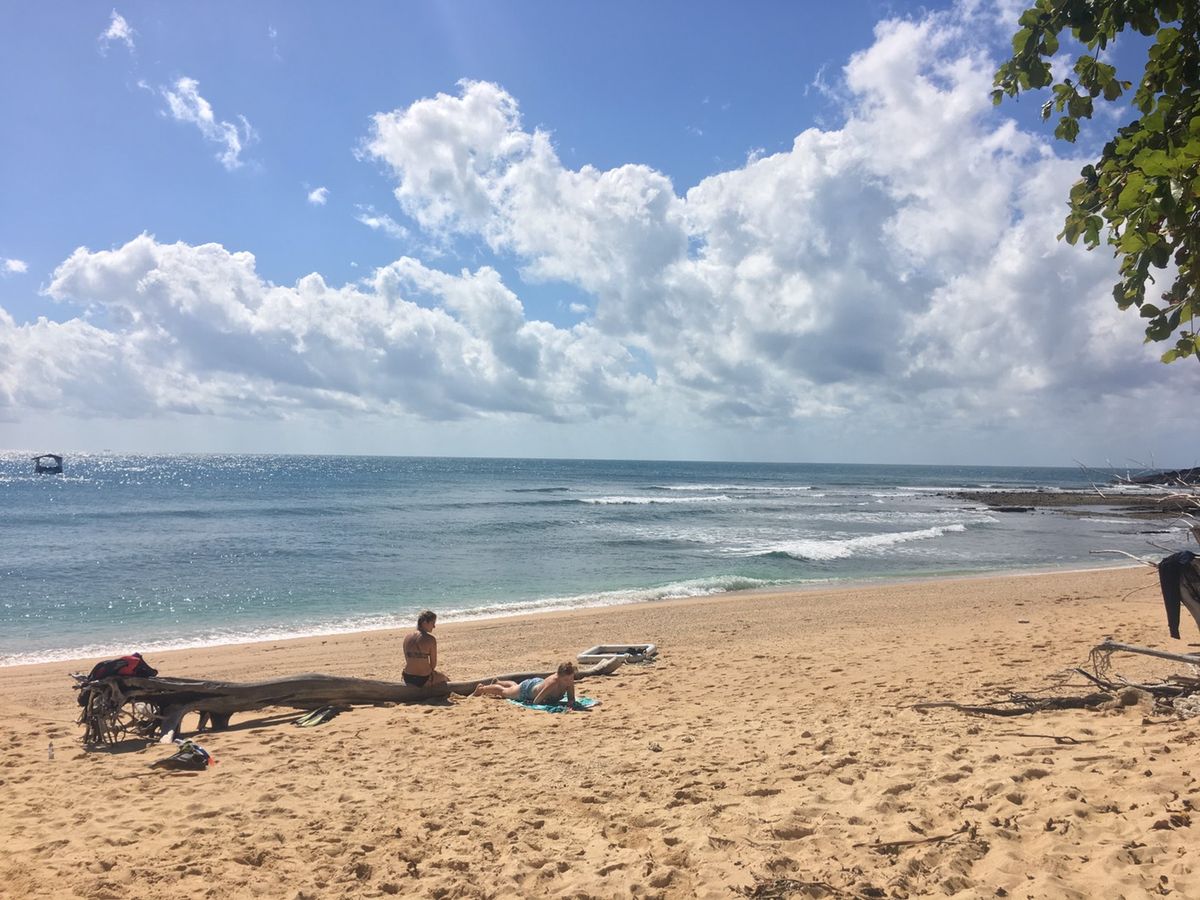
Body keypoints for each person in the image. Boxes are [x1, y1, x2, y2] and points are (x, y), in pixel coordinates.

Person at [473, 661, 579, 708]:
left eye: (571, 678)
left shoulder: (569, 681)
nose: (569, 681)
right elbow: (537, 700)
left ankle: (498, 682)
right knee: (504, 692)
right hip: (527, 690)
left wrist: (569, 704)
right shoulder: (553, 683)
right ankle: (482, 688)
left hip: (537, 683)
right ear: (559, 677)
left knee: (514, 687)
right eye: (566, 679)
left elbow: (571, 699)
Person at [402, 610, 448, 688]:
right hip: (424, 678)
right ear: (425, 622)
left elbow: (408, 660)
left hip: (407, 677)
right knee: (445, 678)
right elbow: (433, 664)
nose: (434, 626)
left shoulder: (407, 638)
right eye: (433, 623)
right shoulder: (431, 639)